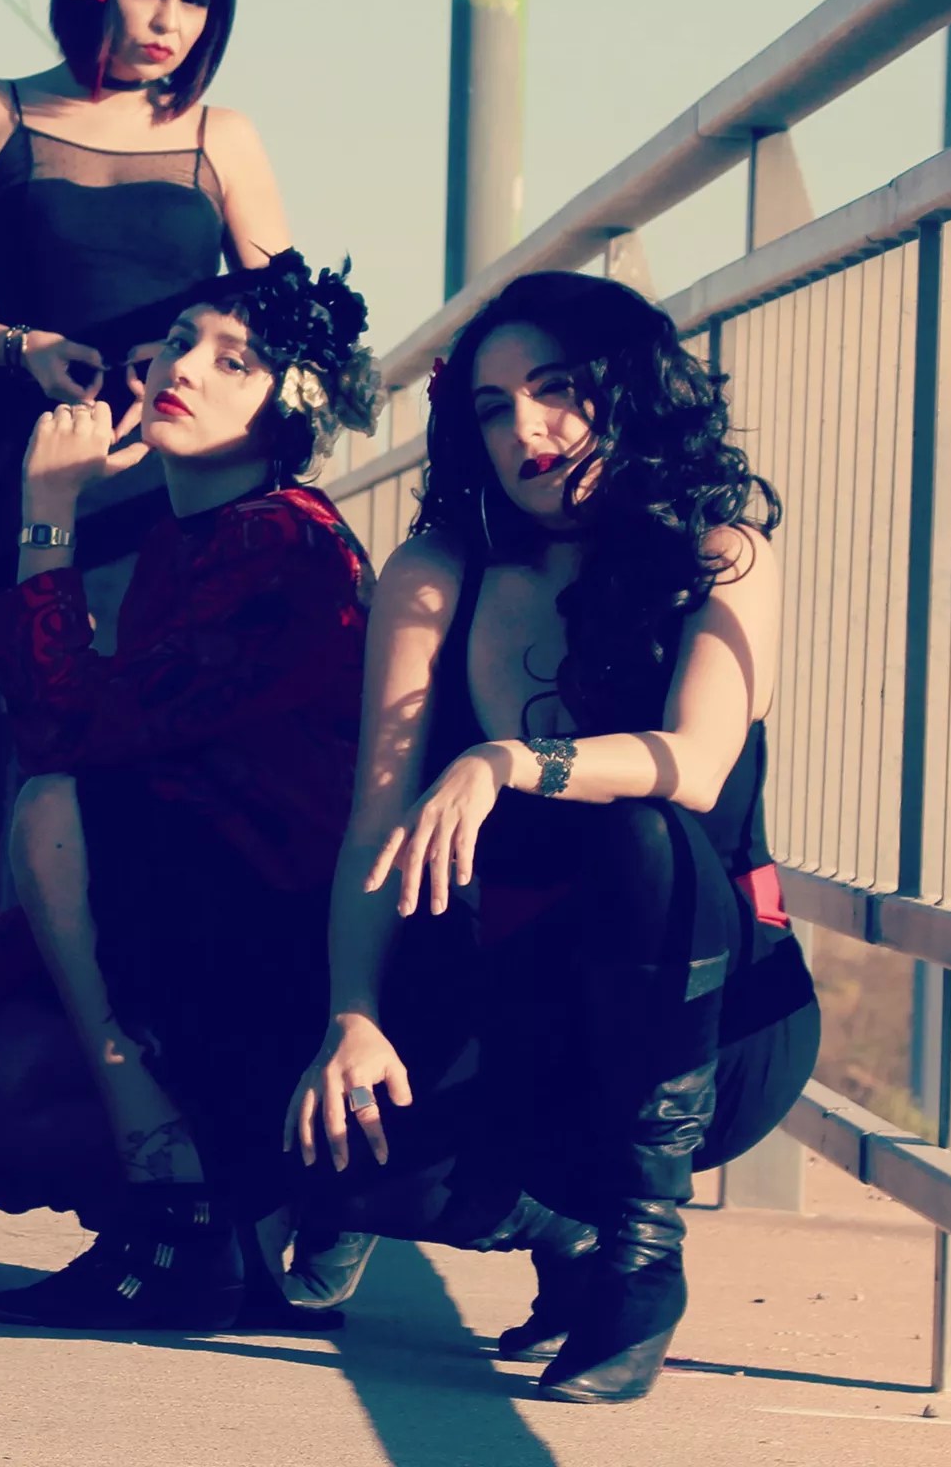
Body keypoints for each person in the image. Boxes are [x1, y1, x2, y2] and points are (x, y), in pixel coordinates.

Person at [285, 271, 819, 1405]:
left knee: (640, 833)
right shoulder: (439, 573)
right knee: (337, 1168)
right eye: (492, 407)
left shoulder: (721, 555)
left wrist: (508, 760)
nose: (525, 429)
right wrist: (353, 1015)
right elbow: (375, 826)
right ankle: (569, 1235)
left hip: (712, 1027)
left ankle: (641, 1254)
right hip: (533, 1016)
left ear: (627, 391)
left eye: (558, 389)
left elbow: (696, 762)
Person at [0, 254, 379, 1330]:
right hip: (215, 928)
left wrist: (46, 507)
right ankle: (217, 1231)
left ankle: (177, 1206)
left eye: (235, 361)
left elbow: (65, 738)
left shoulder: (282, 542)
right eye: (179, 342)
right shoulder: (197, 536)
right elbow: (128, 763)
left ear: (291, 406)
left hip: (283, 955)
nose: (185, 369)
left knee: (47, 808)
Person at [0, 0, 292, 977]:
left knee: (150, 738)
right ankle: (8, 998)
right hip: (26, 463)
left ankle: (141, 1001)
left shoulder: (222, 138)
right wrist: (19, 345)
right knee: (29, 730)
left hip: (172, 485)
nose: (171, 19)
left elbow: (285, 325)